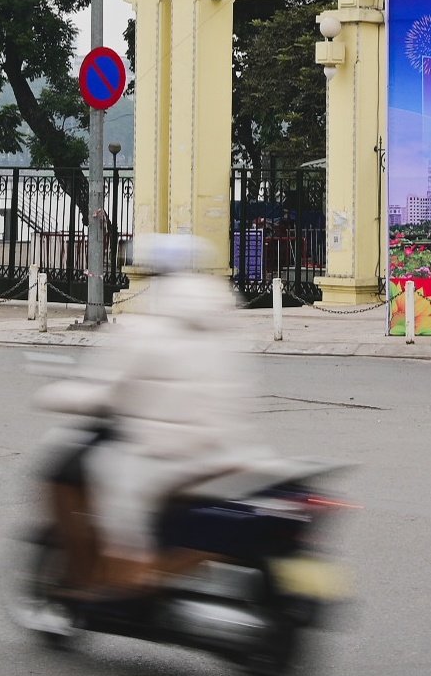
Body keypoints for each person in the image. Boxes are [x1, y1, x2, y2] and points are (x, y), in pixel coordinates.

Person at [32, 232, 268, 593]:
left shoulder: (146, 332)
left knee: (101, 483)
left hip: (164, 456)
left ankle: (122, 571)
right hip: (225, 453)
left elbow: (103, 392)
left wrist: (55, 395)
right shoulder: (227, 331)